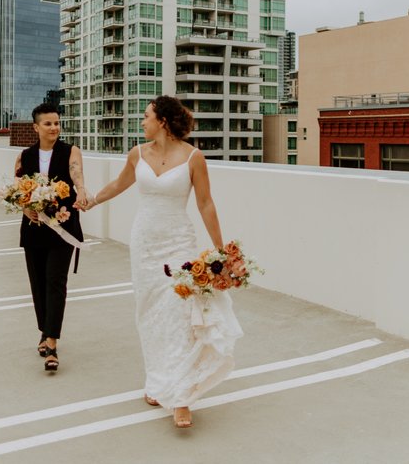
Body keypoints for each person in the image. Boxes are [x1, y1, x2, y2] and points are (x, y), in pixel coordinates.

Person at [84, 95, 242, 428]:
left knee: (179, 315)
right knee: (149, 314)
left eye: (146, 116)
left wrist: (220, 251)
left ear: (163, 122)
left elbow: (205, 204)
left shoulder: (194, 158)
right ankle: (157, 381)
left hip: (178, 244)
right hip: (144, 243)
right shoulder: (137, 154)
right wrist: (93, 200)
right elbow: (119, 184)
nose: (142, 122)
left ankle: (181, 396)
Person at [15, 103, 88, 372]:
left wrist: (81, 192)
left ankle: (52, 344)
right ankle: (45, 331)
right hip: (33, 229)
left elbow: (77, 177)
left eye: (57, 123)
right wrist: (26, 209)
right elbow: (18, 192)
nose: (54, 127)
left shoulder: (71, 151)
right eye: (48, 123)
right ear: (36, 127)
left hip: (63, 228)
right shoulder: (25, 156)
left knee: (55, 281)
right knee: (38, 283)